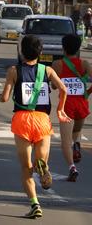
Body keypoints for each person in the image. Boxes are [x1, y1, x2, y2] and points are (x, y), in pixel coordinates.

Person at [0, 35, 70, 219]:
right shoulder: (48, 70)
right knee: (40, 161)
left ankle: (35, 204)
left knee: (26, 168)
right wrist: (60, 110)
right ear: (41, 52)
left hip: (22, 120)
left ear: (21, 51)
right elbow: (63, 89)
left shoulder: (14, 70)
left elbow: (5, 98)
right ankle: (42, 165)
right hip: (43, 120)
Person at [51, 34, 92, 182]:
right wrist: (87, 93)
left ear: (63, 48)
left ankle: (72, 167)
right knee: (77, 130)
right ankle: (77, 145)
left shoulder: (57, 65)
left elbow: (54, 86)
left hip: (66, 105)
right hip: (82, 103)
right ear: (78, 47)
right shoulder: (85, 64)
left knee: (65, 141)